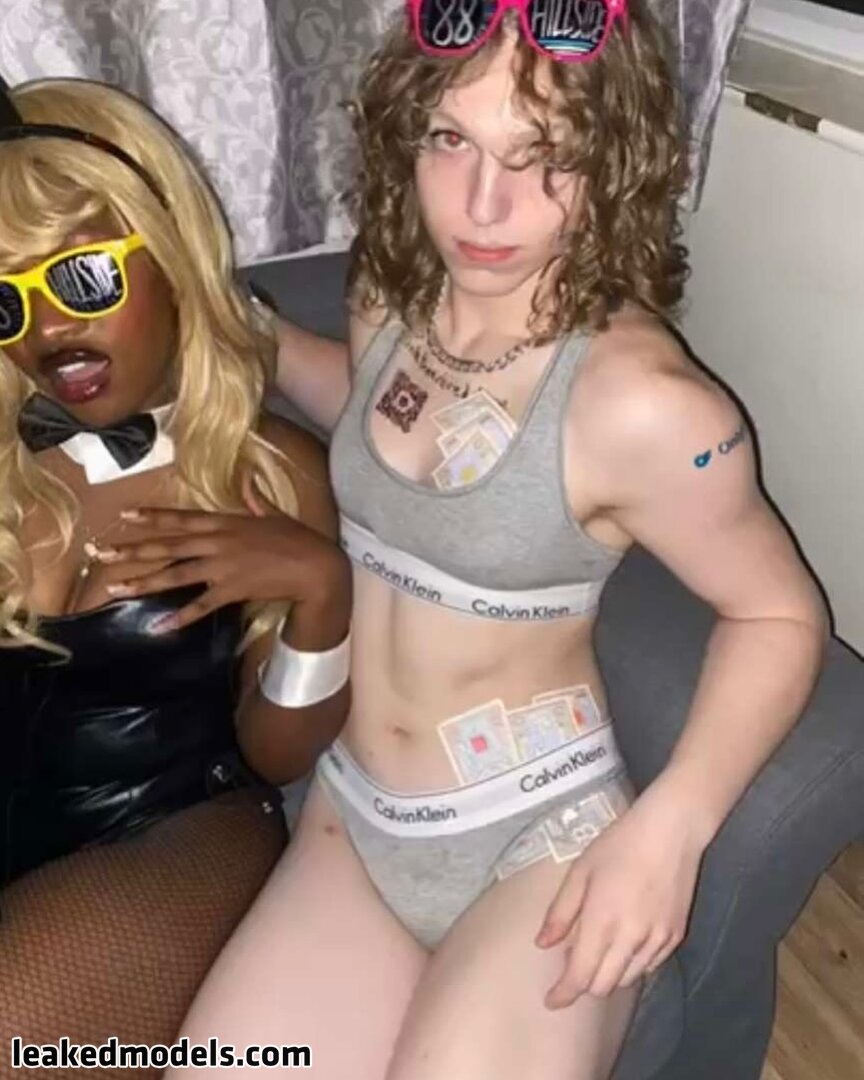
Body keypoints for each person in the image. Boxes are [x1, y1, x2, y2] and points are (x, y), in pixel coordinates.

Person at [172, 3, 828, 1078]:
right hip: (353, 814)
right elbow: (375, 416)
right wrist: (243, 328)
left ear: (613, 157)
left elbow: (779, 613)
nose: (484, 205)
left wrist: (672, 829)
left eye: (544, 156)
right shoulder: (394, 288)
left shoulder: (647, 406)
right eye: (451, 140)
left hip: (534, 838)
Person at [0, 76, 351, 1076]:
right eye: (6, 300)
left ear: (171, 251)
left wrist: (321, 596)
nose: (46, 333)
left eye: (83, 280)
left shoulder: (267, 471)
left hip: (181, 831)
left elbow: (278, 755)